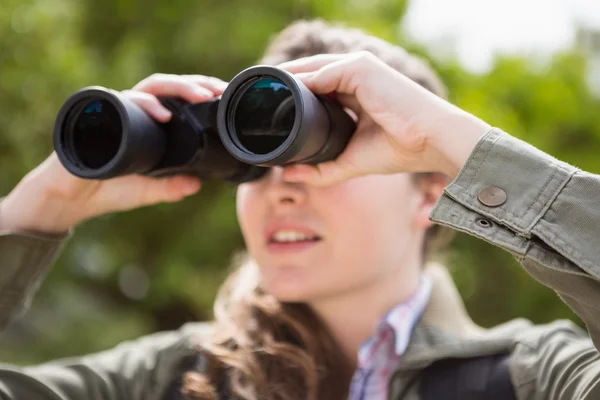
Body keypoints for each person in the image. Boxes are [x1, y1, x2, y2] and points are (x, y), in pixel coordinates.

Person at [1, 18, 599, 400]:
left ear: (432, 191)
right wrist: (39, 206)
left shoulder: (535, 377)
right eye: (252, 163)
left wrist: (464, 146)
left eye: (322, 157)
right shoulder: (176, 378)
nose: (280, 188)